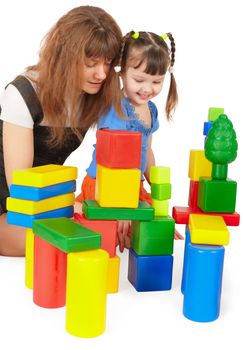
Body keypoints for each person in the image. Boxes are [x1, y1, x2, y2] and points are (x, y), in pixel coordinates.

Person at [0, 5, 123, 256]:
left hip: (46, 202)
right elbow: (22, 190)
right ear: (65, 56)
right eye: (91, 63)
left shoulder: (97, 92)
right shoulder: (24, 93)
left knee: (102, 232)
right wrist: (69, 217)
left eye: (108, 62)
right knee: (56, 242)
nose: (101, 73)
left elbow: (125, 153)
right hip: (14, 202)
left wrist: (123, 212)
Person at [75, 30, 183, 252]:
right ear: (122, 72)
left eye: (157, 81)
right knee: (106, 234)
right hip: (105, 185)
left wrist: (156, 186)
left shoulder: (150, 110)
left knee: (154, 222)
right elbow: (111, 165)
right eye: (139, 79)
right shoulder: (116, 109)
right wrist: (121, 206)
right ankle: (77, 210)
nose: (147, 89)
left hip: (132, 186)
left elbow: (148, 151)